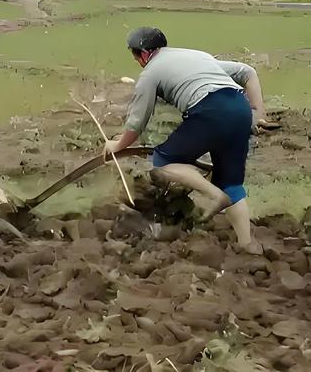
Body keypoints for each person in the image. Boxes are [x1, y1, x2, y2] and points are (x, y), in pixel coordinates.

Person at [104, 27, 269, 253]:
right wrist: (259, 114)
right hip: (239, 108)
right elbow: (247, 72)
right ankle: (247, 244)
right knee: (231, 183)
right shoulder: (196, 55)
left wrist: (118, 145)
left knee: (163, 161)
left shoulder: (150, 73)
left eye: (135, 55)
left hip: (210, 109)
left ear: (143, 53)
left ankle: (214, 196)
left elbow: (137, 122)